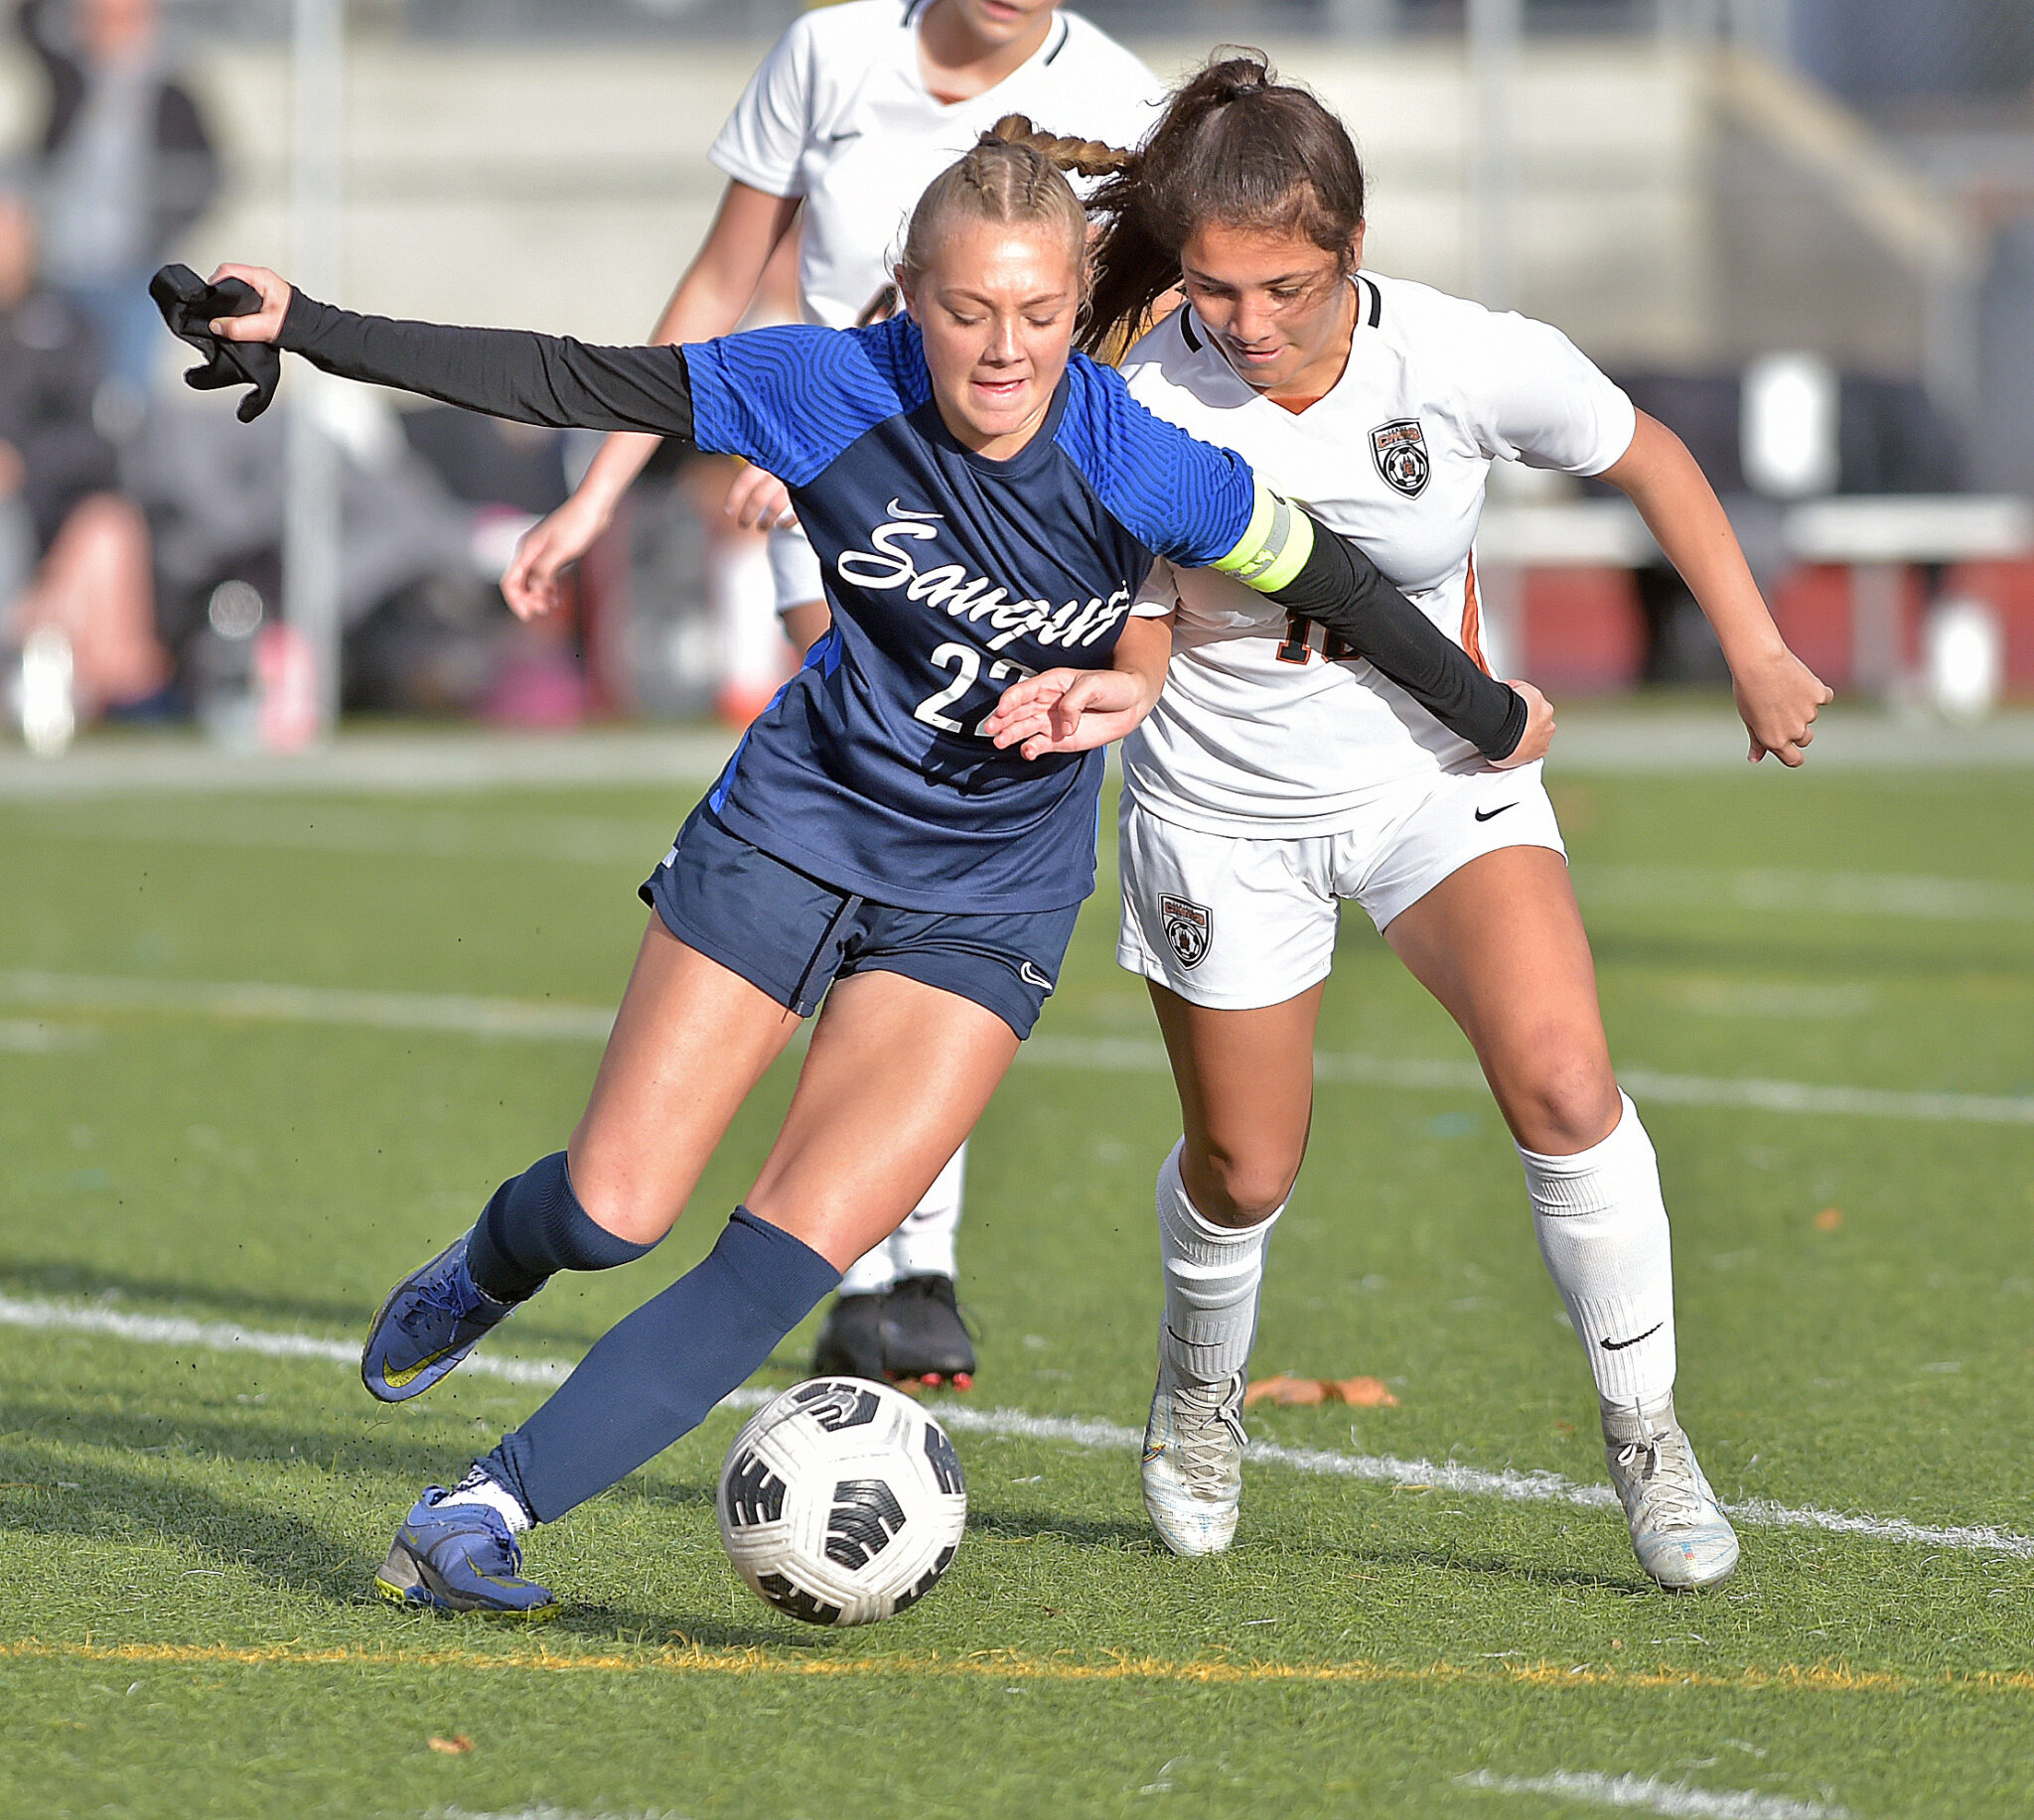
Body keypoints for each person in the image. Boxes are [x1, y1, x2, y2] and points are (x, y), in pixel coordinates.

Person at [172, 128, 1551, 1616]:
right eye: (969, 314)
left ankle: (478, 1511)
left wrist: (1486, 713)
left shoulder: (1141, 457)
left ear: (1078, 297)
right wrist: (307, 325)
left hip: (986, 898)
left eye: (1037, 314)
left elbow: (1334, 579)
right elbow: (569, 376)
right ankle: (509, 1247)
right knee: (616, 1211)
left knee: (784, 1260)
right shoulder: (823, 386)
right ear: (907, 298)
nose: (1006, 350)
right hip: (797, 825)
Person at [1067, 56, 1831, 1589]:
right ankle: (1200, 1393)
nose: (1250, 324)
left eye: (1285, 285)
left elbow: (1648, 455)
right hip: (1222, 813)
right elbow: (1142, 611)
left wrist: (1752, 645)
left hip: (1439, 784)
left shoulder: (1466, 358)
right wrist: (1115, 690)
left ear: (1352, 245)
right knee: (1247, 1168)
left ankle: (1649, 1432)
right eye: (1213, 289)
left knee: (1564, 1082)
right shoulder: (1139, 395)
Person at [502, 0, 1168, 1389]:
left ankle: (897, 1256)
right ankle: (863, 1252)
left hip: (1011, 520)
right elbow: (722, 279)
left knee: (955, 847)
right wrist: (606, 490)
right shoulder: (829, 53)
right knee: (861, 810)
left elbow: (1117, 340)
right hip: (840, 476)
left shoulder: (1123, 97)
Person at [0, 187, 166, 732]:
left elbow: (92, 444)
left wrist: (20, 464)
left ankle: (104, 686)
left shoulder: (65, 328)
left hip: (46, 517)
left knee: (109, 529)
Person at [19, 0, 218, 398]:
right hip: (61, 273)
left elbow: (207, 176)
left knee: (125, 398)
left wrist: (159, 236)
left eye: (122, 18)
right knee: (54, 395)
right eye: (100, 17)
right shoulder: (70, 79)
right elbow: (27, 21)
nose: (110, 29)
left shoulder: (172, 92)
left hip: (132, 276)